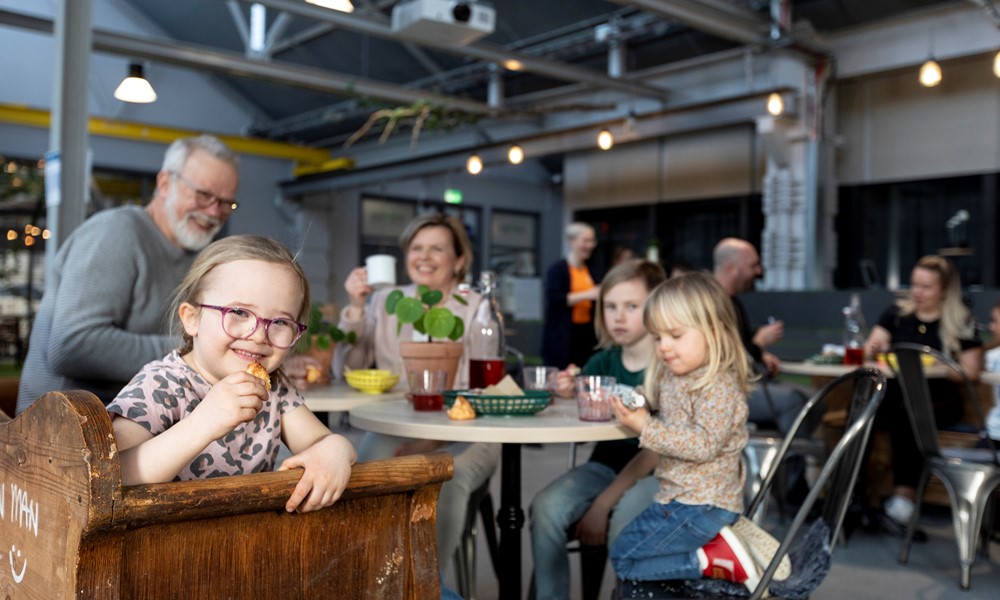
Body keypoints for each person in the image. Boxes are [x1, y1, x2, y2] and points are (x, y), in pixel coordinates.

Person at [106, 235, 356, 513]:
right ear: (192, 318)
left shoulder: (274, 389)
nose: (259, 334)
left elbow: (321, 441)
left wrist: (337, 449)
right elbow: (112, 474)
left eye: (281, 322)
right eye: (239, 312)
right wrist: (202, 424)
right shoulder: (161, 384)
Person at [17, 135, 239, 414]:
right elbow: (72, 346)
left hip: (134, 425)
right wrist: (193, 352)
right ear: (165, 183)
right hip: (61, 434)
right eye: (204, 195)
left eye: (225, 203)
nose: (214, 212)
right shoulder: (114, 234)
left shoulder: (195, 257)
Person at [336, 212, 499, 577]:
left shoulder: (476, 307)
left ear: (459, 260)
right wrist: (357, 306)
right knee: (358, 477)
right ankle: (370, 576)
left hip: (468, 428)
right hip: (397, 422)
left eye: (437, 248)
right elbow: (348, 368)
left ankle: (428, 584)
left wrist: (428, 442)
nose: (424, 256)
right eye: (417, 247)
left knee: (443, 481)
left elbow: (483, 390)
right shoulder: (387, 300)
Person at [608, 272, 786, 592]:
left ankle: (711, 561)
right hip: (679, 499)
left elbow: (703, 444)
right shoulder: (676, 375)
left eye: (675, 335)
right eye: (658, 337)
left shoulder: (718, 384)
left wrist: (644, 426)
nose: (664, 347)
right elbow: (669, 410)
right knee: (628, 558)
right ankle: (705, 562)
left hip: (703, 505)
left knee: (625, 559)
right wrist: (637, 401)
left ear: (714, 332)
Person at [530, 259, 666, 600]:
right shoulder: (601, 363)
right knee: (544, 507)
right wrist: (564, 392)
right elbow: (580, 416)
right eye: (610, 307)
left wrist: (603, 503)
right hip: (603, 464)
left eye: (631, 306)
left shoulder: (669, 365)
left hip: (658, 475)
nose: (618, 317)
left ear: (656, 307)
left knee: (622, 519)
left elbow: (657, 448)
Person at [863, 255, 982, 528]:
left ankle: (902, 499)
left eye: (926, 287)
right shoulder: (896, 315)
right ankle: (853, 493)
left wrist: (940, 363)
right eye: (915, 285)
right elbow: (871, 353)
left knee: (908, 412)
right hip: (895, 392)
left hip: (938, 397)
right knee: (864, 409)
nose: (917, 292)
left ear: (944, 290)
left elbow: (971, 371)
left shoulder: (960, 321)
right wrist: (874, 349)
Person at [713, 237, 807, 435]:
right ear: (732, 269)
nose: (759, 271)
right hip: (722, 390)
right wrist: (758, 343)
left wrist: (760, 354)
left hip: (746, 383)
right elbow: (719, 356)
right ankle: (786, 463)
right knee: (794, 402)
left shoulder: (733, 302)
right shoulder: (710, 303)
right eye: (753, 265)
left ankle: (775, 454)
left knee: (815, 400)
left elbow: (742, 344)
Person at [542, 222, 599, 369]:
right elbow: (554, 298)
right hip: (564, 336)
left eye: (592, 241)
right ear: (572, 241)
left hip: (585, 334)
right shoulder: (558, 269)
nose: (590, 245)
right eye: (586, 240)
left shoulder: (590, 271)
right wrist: (588, 294)